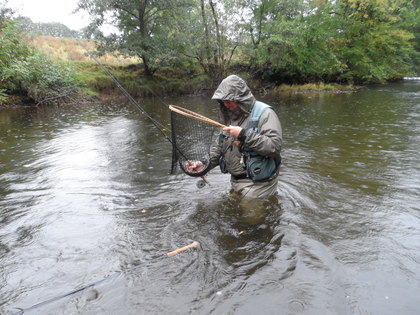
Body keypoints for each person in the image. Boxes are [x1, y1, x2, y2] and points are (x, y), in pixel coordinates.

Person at [189, 74, 282, 199]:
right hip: (235, 182)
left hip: (259, 185)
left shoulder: (266, 113)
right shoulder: (229, 116)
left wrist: (243, 135)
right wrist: (203, 163)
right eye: (223, 101)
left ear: (240, 98)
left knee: (251, 219)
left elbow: (274, 146)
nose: (226, 104)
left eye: (228, 100)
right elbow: (219, 147)